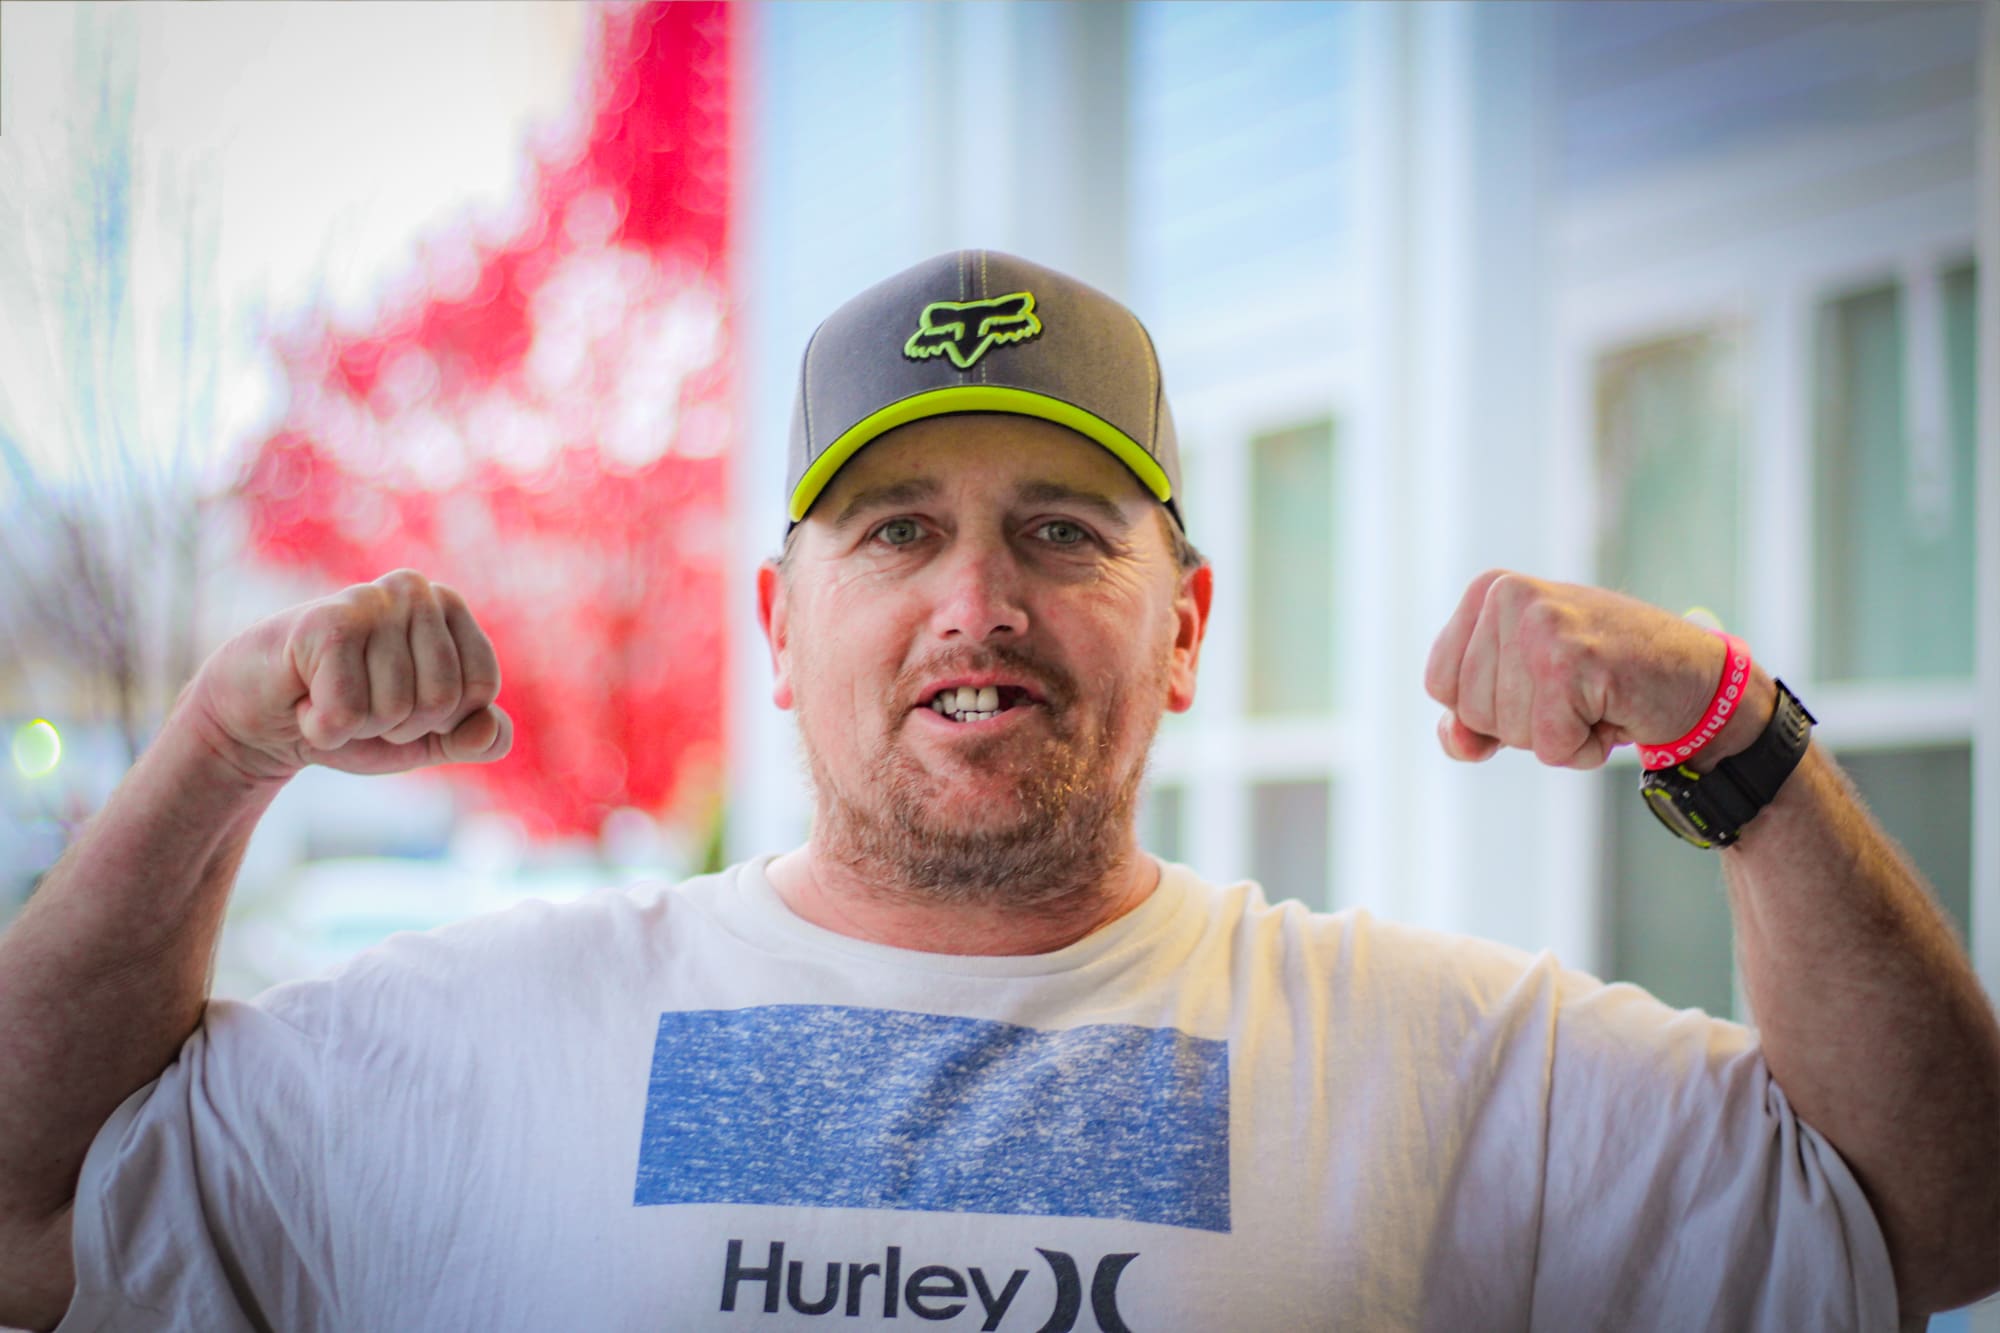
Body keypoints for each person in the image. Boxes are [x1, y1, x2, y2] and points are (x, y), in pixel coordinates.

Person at [1, 250, 1995, 1332]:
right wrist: (219, 747)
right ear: (781, 620)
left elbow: (1942, 1212)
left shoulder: (1448, 1068)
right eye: (893, 533)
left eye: (1060, 529)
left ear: (1187, 621)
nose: (977, 602)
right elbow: (22, 1209)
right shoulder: (462, 1043)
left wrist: (1724, 723)